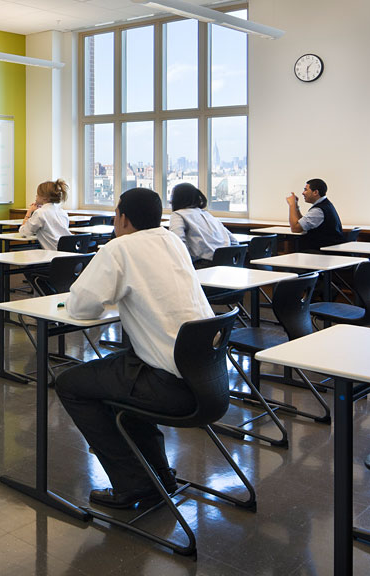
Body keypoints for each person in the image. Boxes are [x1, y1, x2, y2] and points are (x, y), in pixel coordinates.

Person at [55, 187, 214, 509]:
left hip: (170, 386)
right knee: (121, 373)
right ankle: (159, 475)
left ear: (123, 218)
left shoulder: (120, 248)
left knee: (70, 383)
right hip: (208, 379)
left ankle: (133, 483)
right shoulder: (173, 241)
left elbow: (83, 308)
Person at [168, 182, 238, 267]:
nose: (170, 201)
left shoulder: (178, 215)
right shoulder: (207, 214)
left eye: (172, 197)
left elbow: (177, 243)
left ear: (177, 199)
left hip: (203, 266)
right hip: (227, 265)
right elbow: (234, 242)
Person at [285, 178, 344, 251]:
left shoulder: (318, 210)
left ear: (315, 192)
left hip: (322, 254)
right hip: (325, 251)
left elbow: (295, 228)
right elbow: (302, 224)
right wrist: (296, 206)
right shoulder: (325, 205)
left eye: (306, 190)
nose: (303, 193)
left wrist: (292, 205)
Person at [19, 179, 71, 251]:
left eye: (38, 194)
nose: (36, 196)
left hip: (55, 254)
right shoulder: (62, 212)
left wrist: (29, 212)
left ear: (44, 197)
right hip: (69, 252)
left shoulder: (40, 213)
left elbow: (24, 233)